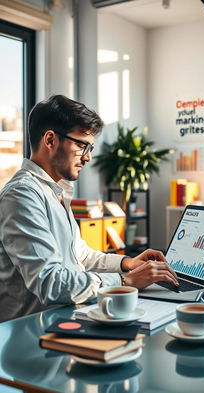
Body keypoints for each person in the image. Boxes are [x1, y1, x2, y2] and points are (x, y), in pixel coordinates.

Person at [0, 95, 178, 322]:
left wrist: (128, 264)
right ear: (51, 140)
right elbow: (50, 282)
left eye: (90, 147)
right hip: (31, 335)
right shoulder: (22, 195)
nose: (88, 157)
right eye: (82, 145)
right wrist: (125, 282)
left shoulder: (57, 192)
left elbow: (79, 256)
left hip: (61, 321)